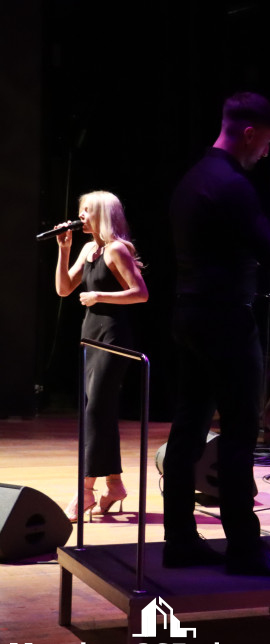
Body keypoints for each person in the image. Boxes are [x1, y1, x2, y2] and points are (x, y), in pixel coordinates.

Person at [163, 92, 270, 576]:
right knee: (238, 433)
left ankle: (180, 540)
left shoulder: (193, 179)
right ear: (250, 134)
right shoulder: (233, 185)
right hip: (226, 321)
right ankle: (246, 551)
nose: (267, 153)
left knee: (188, 429)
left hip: (188, 313)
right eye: (268, 142)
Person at [55, 191, 149, 522]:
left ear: (101, 215)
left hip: (113, 338)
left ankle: (85, 492)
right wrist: (64, 252)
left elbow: (141, 294)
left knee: (95, 411)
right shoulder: (87, 249)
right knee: (98, 412)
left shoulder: (117, 250)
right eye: (80, 211)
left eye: (86, 212)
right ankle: (115, 485)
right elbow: (64, 289)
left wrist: (100, 295)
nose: (80, 216)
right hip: (90, 337)